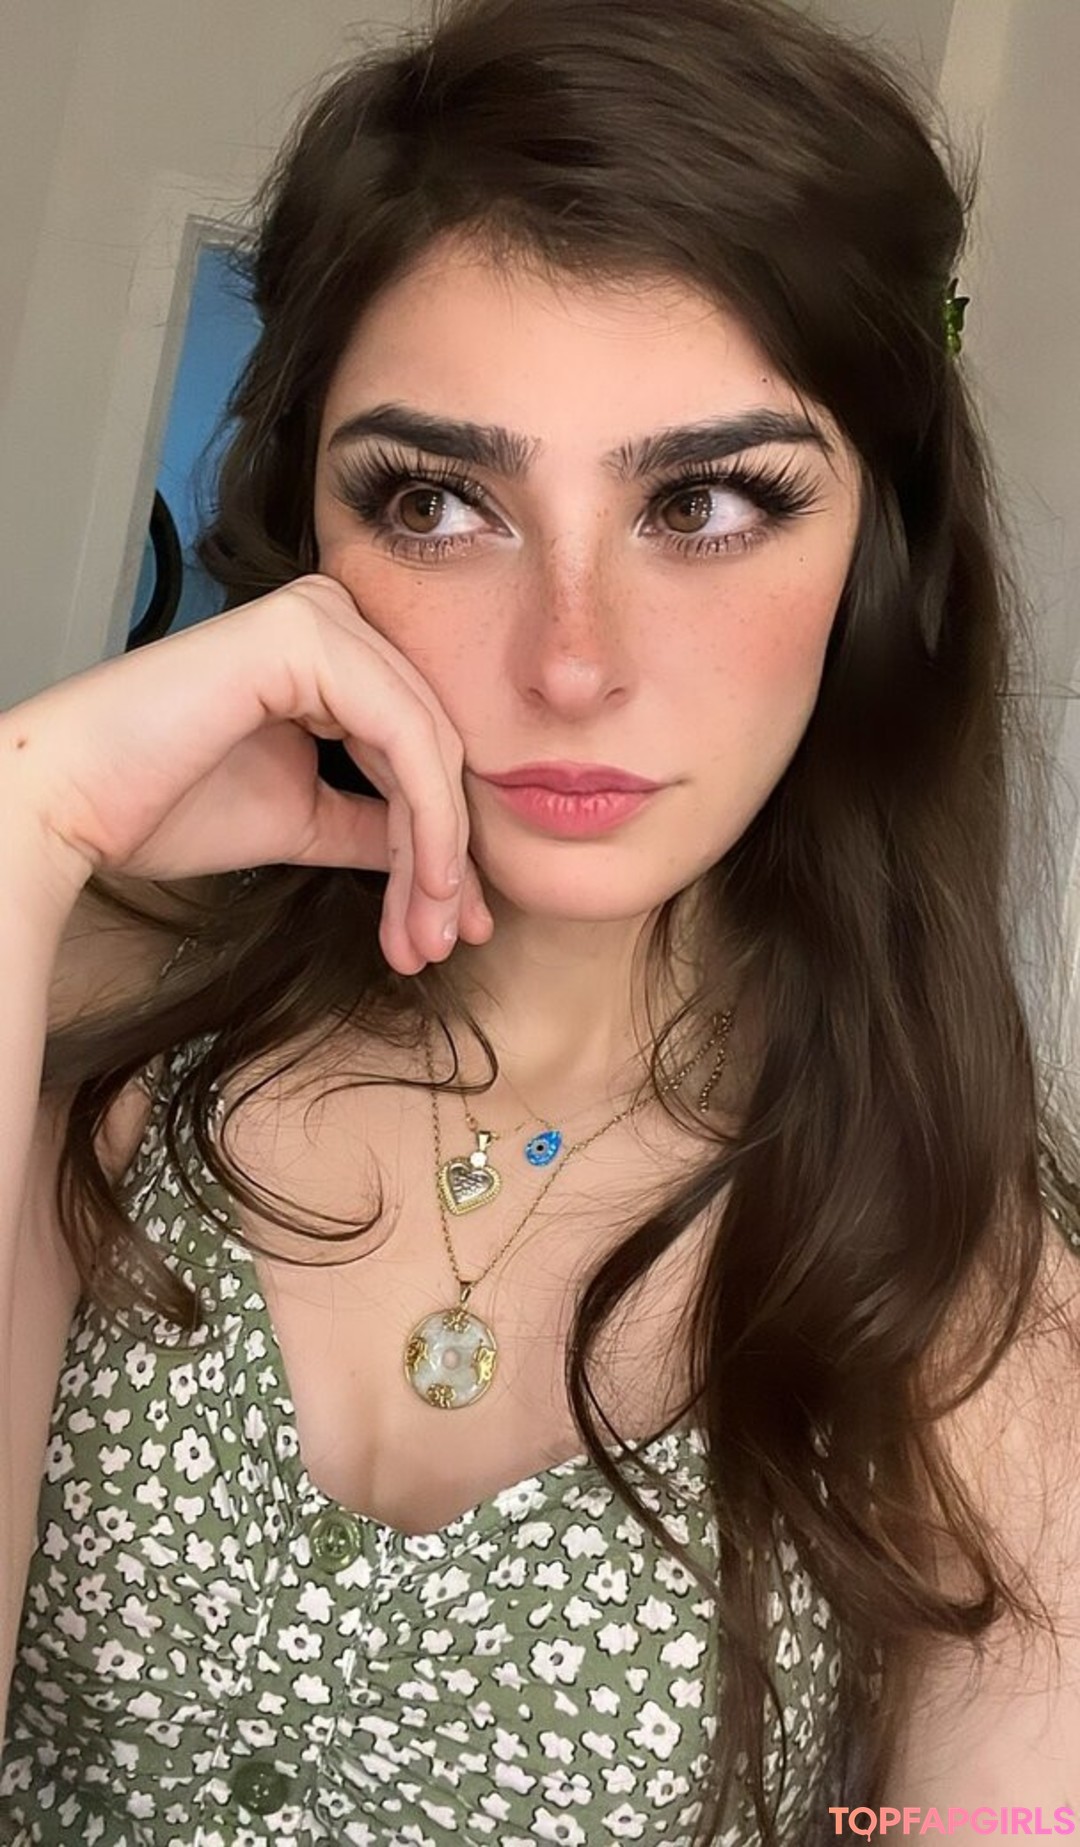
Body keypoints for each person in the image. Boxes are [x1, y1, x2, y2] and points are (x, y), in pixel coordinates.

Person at [1, 0, 1079, 1840]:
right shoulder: (83, 999)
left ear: (881, 562)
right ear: (308, 527)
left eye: (707, 501)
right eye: (439, 501)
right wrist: (26, 823)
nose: (573, 663)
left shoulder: (974, 1299)